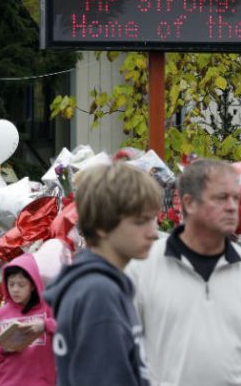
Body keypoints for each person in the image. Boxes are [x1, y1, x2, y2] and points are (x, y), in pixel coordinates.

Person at [125, 158, 241, 386]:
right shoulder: (142, 268)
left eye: (236, 198)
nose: (232, 207)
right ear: (189, 203)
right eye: (221, 198)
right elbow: (121, 349)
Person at [44, 162, 162, 386]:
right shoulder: (99, 292)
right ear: (101, 225)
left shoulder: (97, 285)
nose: (154, 233)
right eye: (141, 221)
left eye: (152, 220)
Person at [0, 253, 57, 386]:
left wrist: (45, 325)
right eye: (11, 284)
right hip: (5, 382)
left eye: (21, 285)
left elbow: (69, 329)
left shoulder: (48, 309)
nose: (15, 290)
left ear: (33, 285)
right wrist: (1, 349)